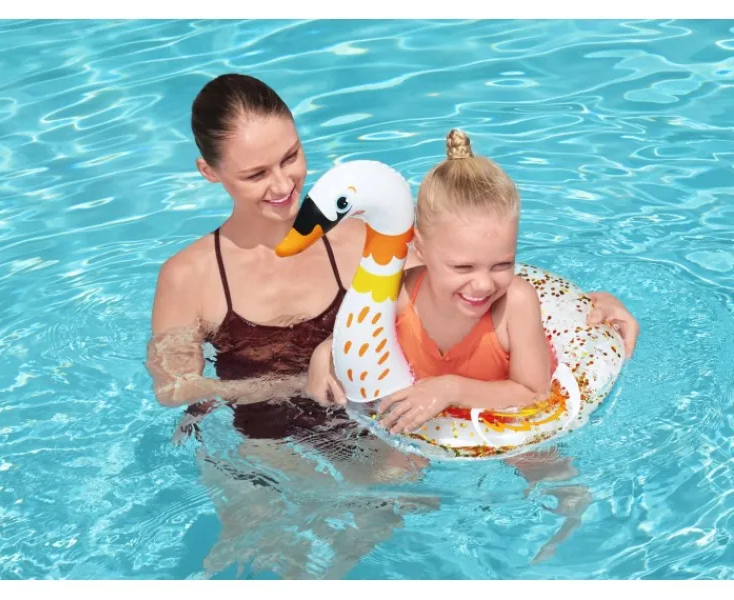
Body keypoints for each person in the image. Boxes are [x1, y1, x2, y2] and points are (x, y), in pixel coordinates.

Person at [147, 73, 641, 574]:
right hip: (257, 441)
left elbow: (473, 273)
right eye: (256, 174)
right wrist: (298, 379)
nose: (283, 185)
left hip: (367, 430)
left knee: (374, 524)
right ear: (209, 171)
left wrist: (594, 306)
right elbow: (174, 388)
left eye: (291, 157)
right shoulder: (189, 275)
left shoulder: (361, 238)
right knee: (267, 558)